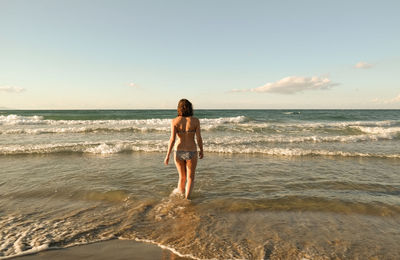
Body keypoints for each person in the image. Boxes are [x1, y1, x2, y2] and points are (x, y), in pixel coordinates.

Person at [164, 99, 204, 199]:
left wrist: (167, 155)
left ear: (179, 108)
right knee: (190, 177)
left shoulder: (175, 121)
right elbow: (199, 138)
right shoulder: (195, 121)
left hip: (179, 151)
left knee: (182, 177)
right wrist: (201, 150)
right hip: (191, 151)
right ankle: (187, 199)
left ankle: (179, 197)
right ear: (190, 108)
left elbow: (172, 139)